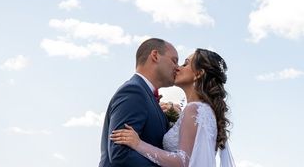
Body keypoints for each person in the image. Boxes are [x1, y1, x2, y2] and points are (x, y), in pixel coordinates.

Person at [110, 48, 236, 167]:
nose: (178, 68)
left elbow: (183, 161)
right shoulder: (203, 110)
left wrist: (139, 144)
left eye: (185, 64)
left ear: (198, 74)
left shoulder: (194, 109)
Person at [99, 38, 180, 166]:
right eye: (174, 61)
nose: (177, 68)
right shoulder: (133, 91)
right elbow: (120, 154)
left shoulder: (147, 96)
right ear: (155, 56)